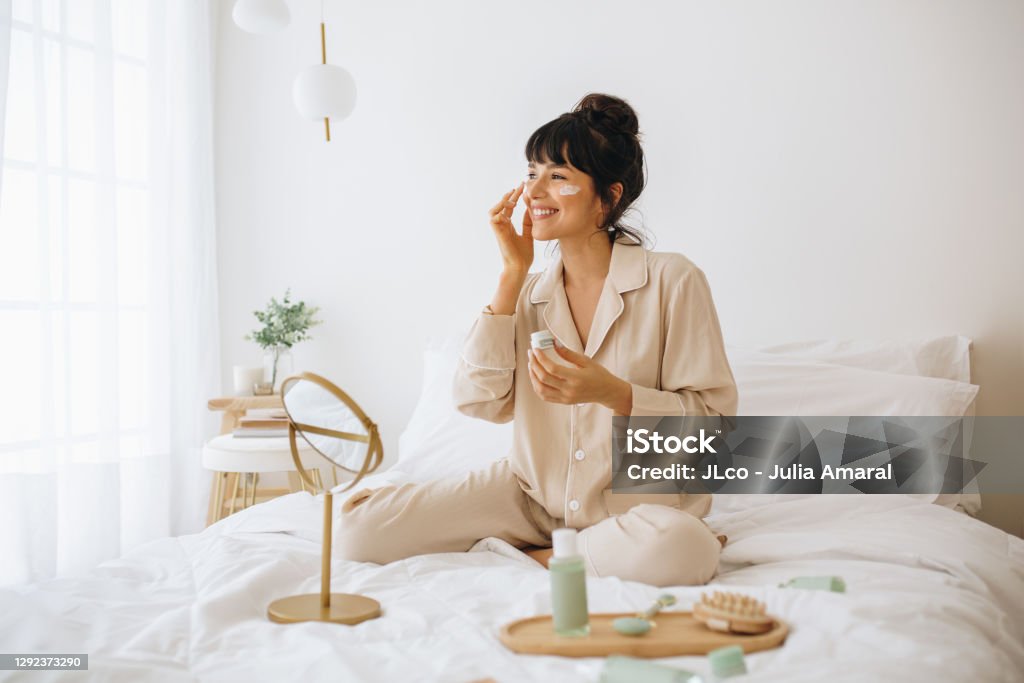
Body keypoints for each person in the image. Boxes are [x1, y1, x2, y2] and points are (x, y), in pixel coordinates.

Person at [336, 94, 738, 586]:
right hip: (532, 497)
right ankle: (567, 552)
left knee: (682, 548)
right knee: (358, 529)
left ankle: (545, 557)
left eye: (559, 176)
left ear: (608, 198)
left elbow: (715, 434)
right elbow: (479, 402)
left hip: (635, 508)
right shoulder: (529, 294)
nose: (535, 191)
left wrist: (613, 393)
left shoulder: (673, 280)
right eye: (532, 173)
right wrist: (511, 274)